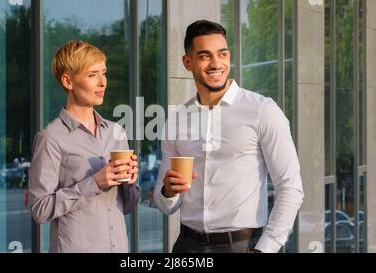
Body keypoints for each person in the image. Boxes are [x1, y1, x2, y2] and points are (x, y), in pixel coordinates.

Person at [154, 20, 304, 253]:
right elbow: (165, 204)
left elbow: (291, 186)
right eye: (204, 56)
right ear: (187, 62)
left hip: (244, 246)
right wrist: (168, 192)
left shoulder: (263, 110)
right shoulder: (176, 119)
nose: (216, 63)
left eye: (222, 54)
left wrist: (266, 247)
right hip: (186, 246)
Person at [28, 40, 140, 253]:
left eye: (104, 73)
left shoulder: (116, 132)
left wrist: (130, 182)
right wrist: (95, 182)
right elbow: (39, 209)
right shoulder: (50, 137)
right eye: (92, 75)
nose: (102, 82)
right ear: (68, 81)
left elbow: (128, 206)